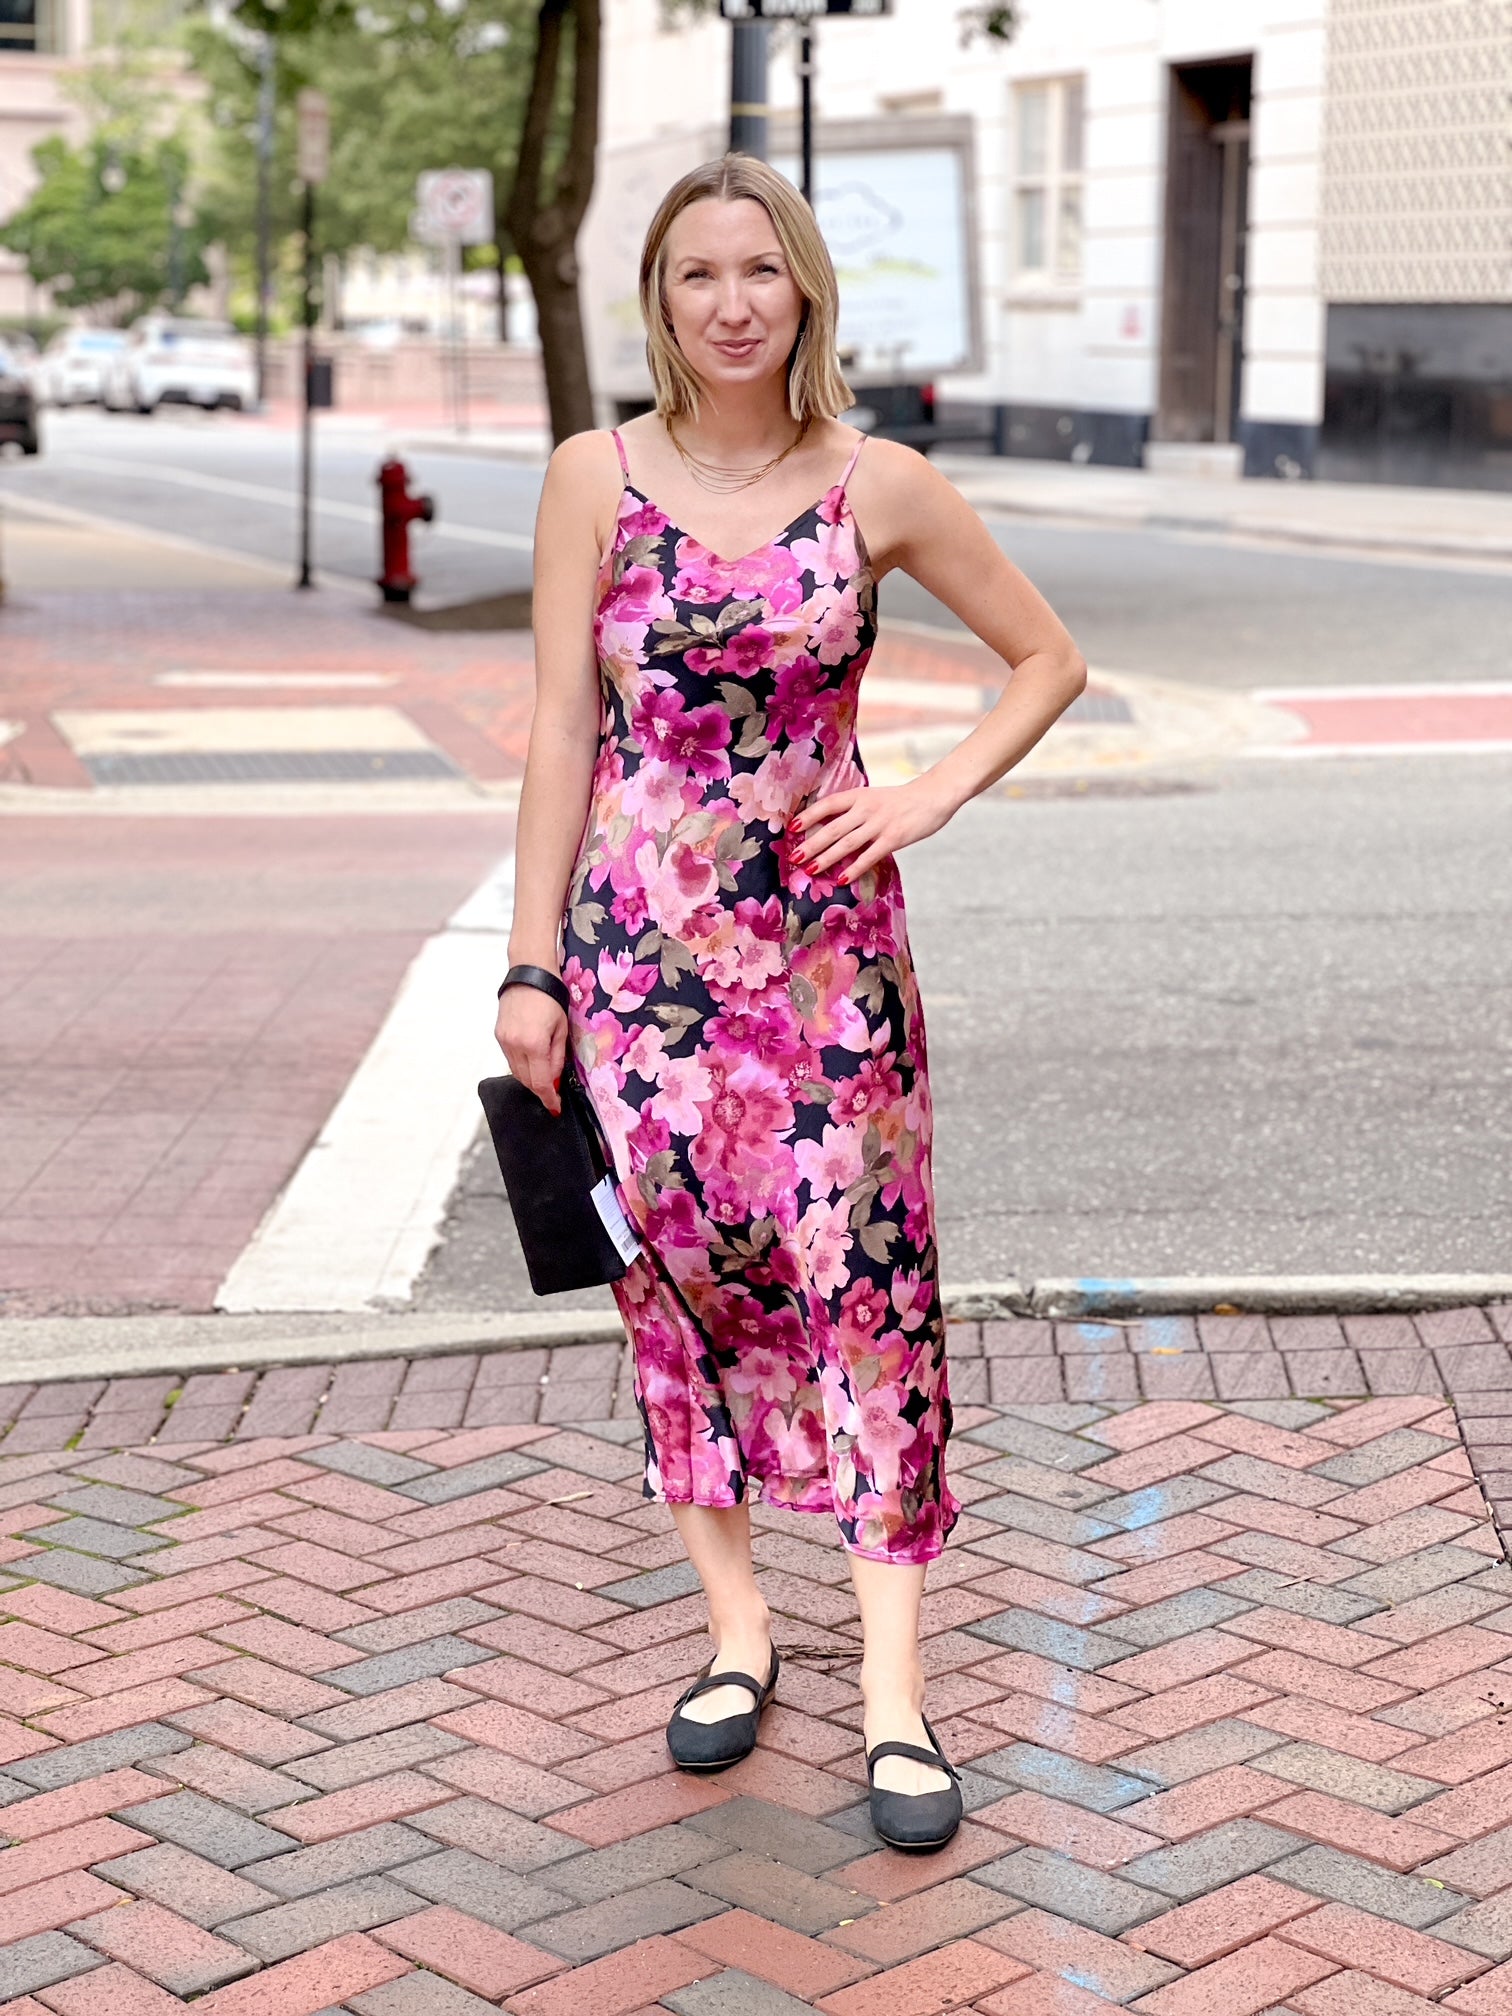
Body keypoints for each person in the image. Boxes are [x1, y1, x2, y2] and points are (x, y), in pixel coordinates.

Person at [496, 153, 1086, 1851]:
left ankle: (894, 1694)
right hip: (636, 968)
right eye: (698, 274)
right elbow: (562, 729)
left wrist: (927, 795)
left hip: (829, 970)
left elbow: (1048, 658)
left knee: (864, 1289)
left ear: (806, 290)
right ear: (660, 300)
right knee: (678, 1290)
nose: (732, 302)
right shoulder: (592, 479)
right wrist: (531, 965)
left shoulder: (875, 484)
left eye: (760, 270)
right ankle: (739, 1631)